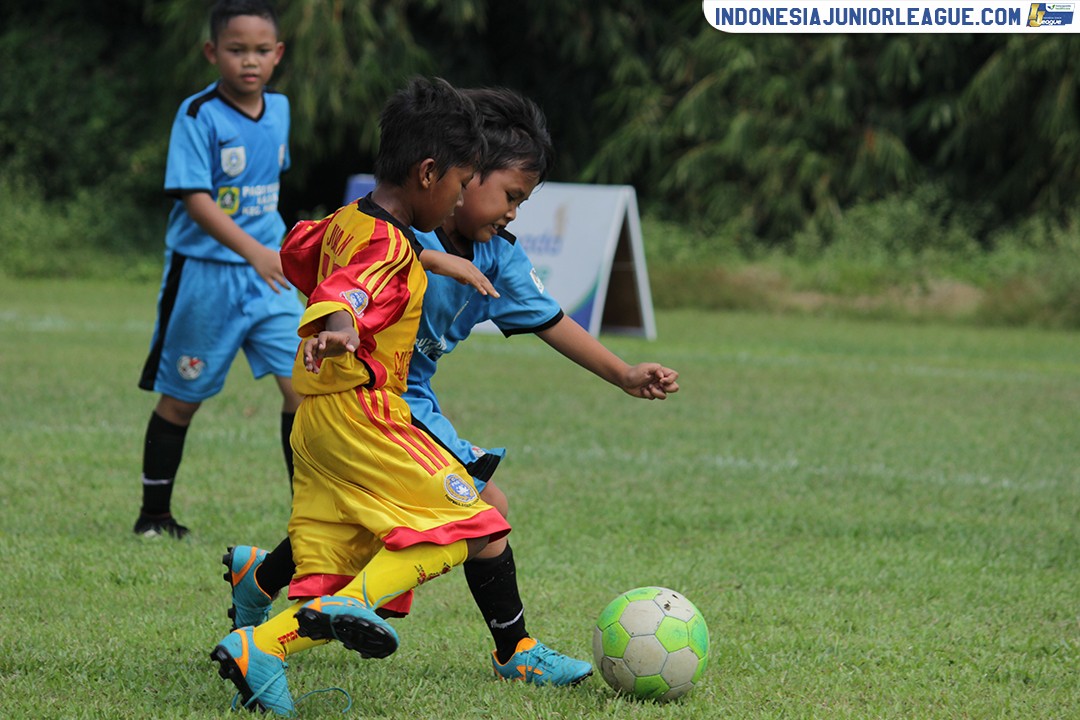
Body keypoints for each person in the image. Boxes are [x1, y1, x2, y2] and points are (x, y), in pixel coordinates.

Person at [221, 88, 679, 692]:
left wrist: (622, 373)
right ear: (458, 174)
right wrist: (345, 323)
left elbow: (550, 320)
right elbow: (361, 273)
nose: (511, 212)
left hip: (398, 404)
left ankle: (259, 581)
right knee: (482, 515)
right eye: (507, 195)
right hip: (375, 403)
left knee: (386, 528)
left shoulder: (494, 255)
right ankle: (512, 648)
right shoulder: (413, 225)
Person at [210, 76, 510, 716]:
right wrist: (343, 321)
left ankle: (262, 647)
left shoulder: (352, 220)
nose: (460, 202)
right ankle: (337, 611)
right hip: (361, 412)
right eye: (460, 186)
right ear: (429, 173)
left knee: (351, 556)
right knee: (472, 518)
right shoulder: (387, 245)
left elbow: (303, 251)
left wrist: (429, 262)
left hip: (314, 421)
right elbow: (352, 285)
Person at [134, 0, 300, 539]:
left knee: (306, 388)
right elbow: (196, 200)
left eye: (259, 51)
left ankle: (312, 520)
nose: (248, 61)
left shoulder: (279, 109)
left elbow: (267, 189)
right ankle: (154, 516)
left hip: (271, 276)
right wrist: (251, 248)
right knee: (182, 398)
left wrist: (273, 250)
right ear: (213, 52)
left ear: (276, 55)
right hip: (206, 275)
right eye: (236, 50)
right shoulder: (198, 114)